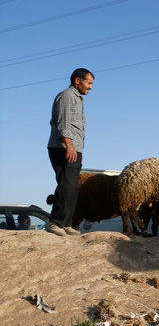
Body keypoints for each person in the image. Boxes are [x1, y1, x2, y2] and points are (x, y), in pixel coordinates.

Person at [46, 68, 94, 237]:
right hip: (63, 147)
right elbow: (63, 123)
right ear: (77, 81)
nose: (90, 87)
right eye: (88, 83)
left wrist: (79, 150)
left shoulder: (78, 100)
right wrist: (69, 144)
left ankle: (66, 224)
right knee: (66, 184)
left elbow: (79, 129)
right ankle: (55, 222)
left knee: (72, 186)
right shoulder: (67, 96)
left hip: (74, 148)